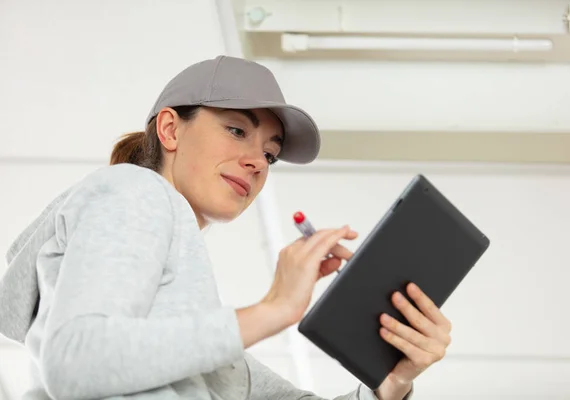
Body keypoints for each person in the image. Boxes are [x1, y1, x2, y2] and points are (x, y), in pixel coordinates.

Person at [0, 55, 452, 400]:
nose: (257, 161)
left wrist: (393, 382)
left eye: (270, 155)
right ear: (171, 130)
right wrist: (275, 307)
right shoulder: (135, 190)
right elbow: (75, 362)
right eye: (237, 130)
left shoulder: (199, 342)